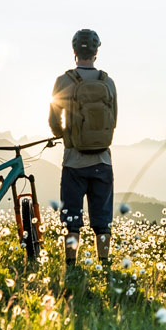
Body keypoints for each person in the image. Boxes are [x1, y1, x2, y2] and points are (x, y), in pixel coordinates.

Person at [48, 29, 117, 268]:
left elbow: (55, 123)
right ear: (96, 52)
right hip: (102, 161)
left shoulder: (64, 81)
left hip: (73, 162)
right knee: (102, 219)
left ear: (74, 51)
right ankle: (104, 264)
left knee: (72, 218)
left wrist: (67, 136)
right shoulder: (107, 82)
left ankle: (71, 266)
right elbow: (114, 121)